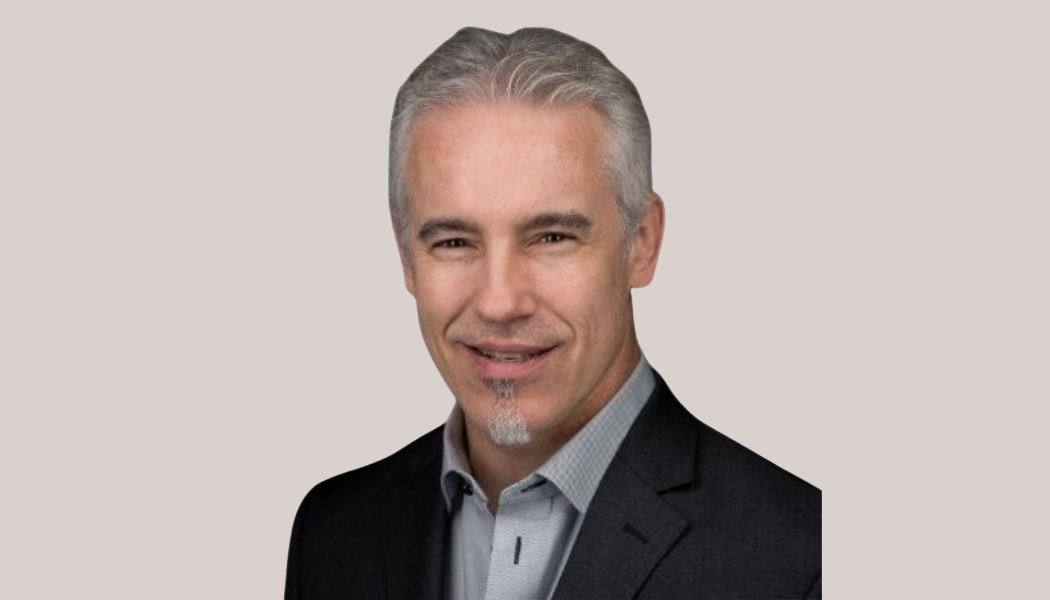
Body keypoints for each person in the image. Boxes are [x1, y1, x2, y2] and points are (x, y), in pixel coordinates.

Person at [285, 26, 821, 600]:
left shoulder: (804, 558)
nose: (499, 301)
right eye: (454, 242)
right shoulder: (334, 531)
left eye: (552, 238)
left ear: (642, 243)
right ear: (406, 258)